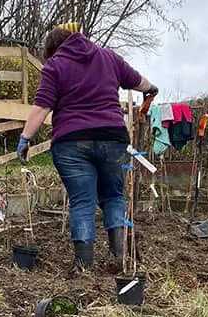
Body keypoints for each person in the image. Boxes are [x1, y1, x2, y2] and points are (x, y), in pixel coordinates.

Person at [17, 23, 158, 277]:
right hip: (113, 139)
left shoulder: (55, 65)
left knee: (82, 201)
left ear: (53, 48)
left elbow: (42, 107)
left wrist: (26, 137)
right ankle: (119, 257)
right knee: (114, 196)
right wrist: (151, 89)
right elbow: (139, 81)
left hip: (72, 142)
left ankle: (83, 267)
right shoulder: (108, 57)